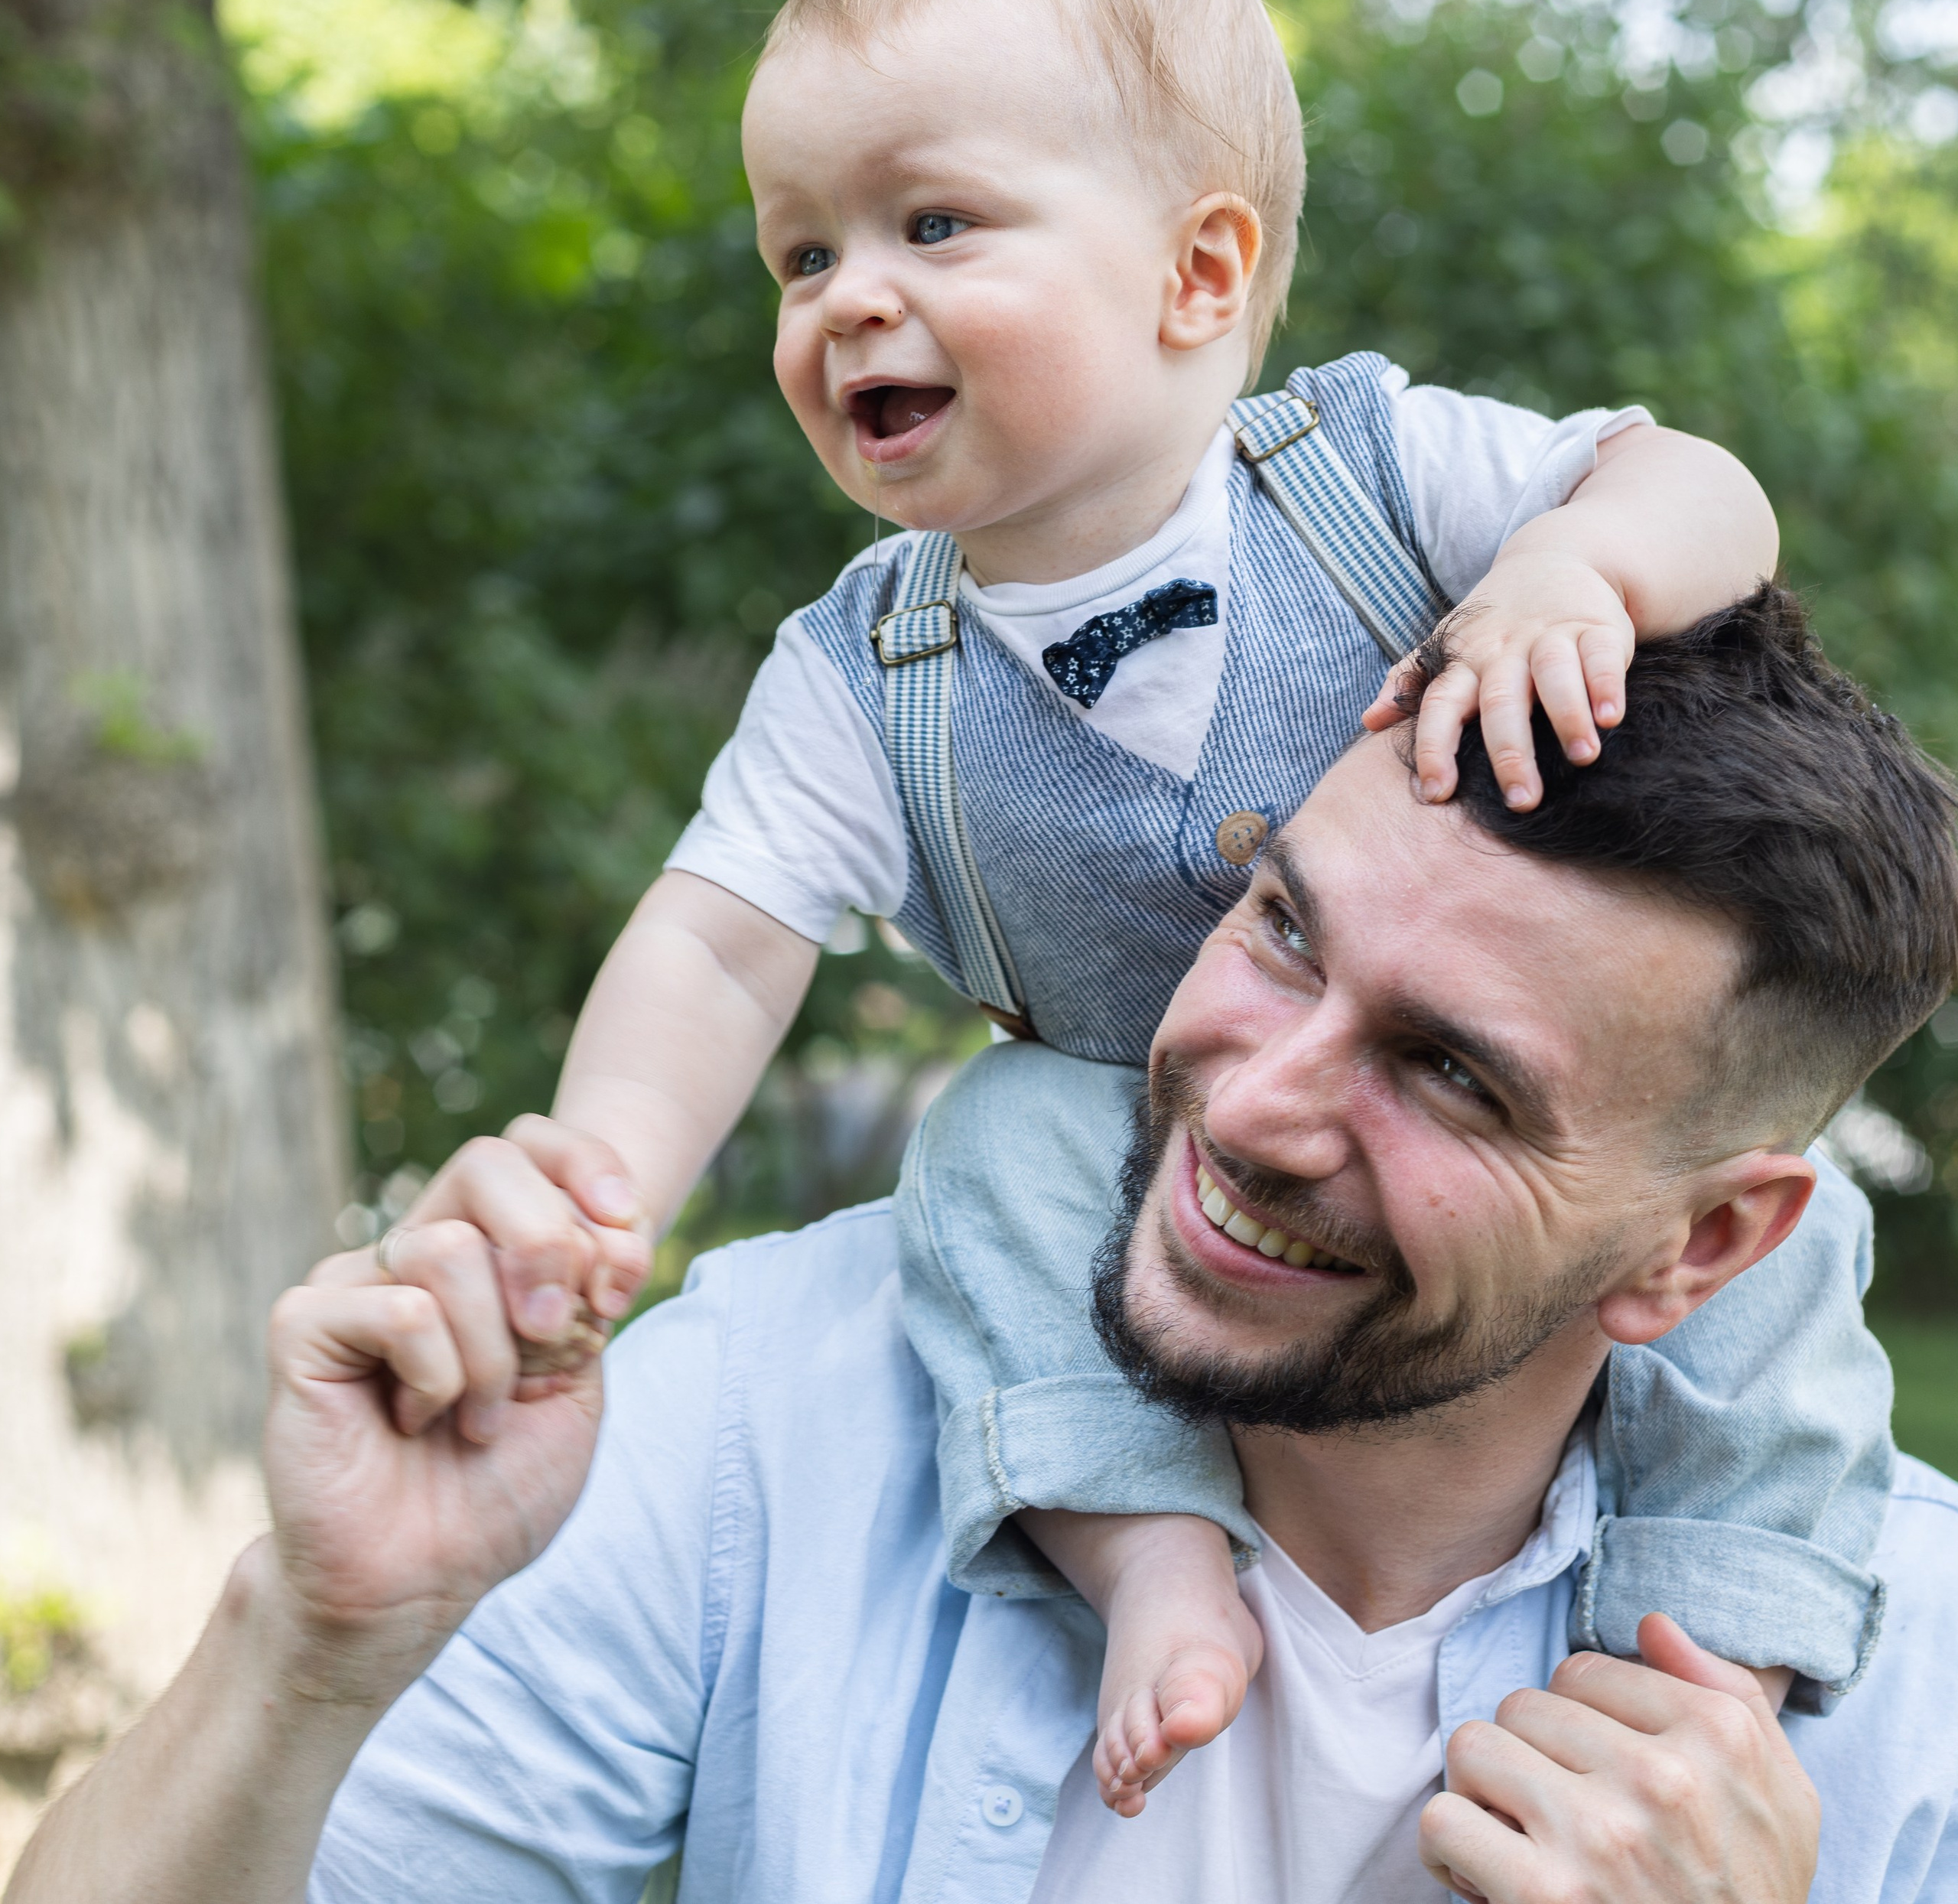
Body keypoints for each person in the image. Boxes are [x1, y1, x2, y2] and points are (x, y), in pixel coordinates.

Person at [13, 589, 1958, 1902]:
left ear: (1697, 1243)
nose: (1254, 1099)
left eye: (1447, 1073)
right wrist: (316, 1644)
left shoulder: (1902, 1687)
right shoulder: (766, 1403)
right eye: (1281, 926)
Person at [516, 0, 1882, 1808]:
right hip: (1121, 1112)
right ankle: (1140, 1543)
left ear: (1200, 273)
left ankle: (1720, 1628)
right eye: (802, 254)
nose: (849, 300)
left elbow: (1699, 484)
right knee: (983, 1153)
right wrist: (597, 1191)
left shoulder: (1372, 470)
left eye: (930, 221)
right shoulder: (853, 676)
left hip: (1433, 1122)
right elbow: (717, 936)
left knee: (1780, 1265)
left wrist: (1581, 573)